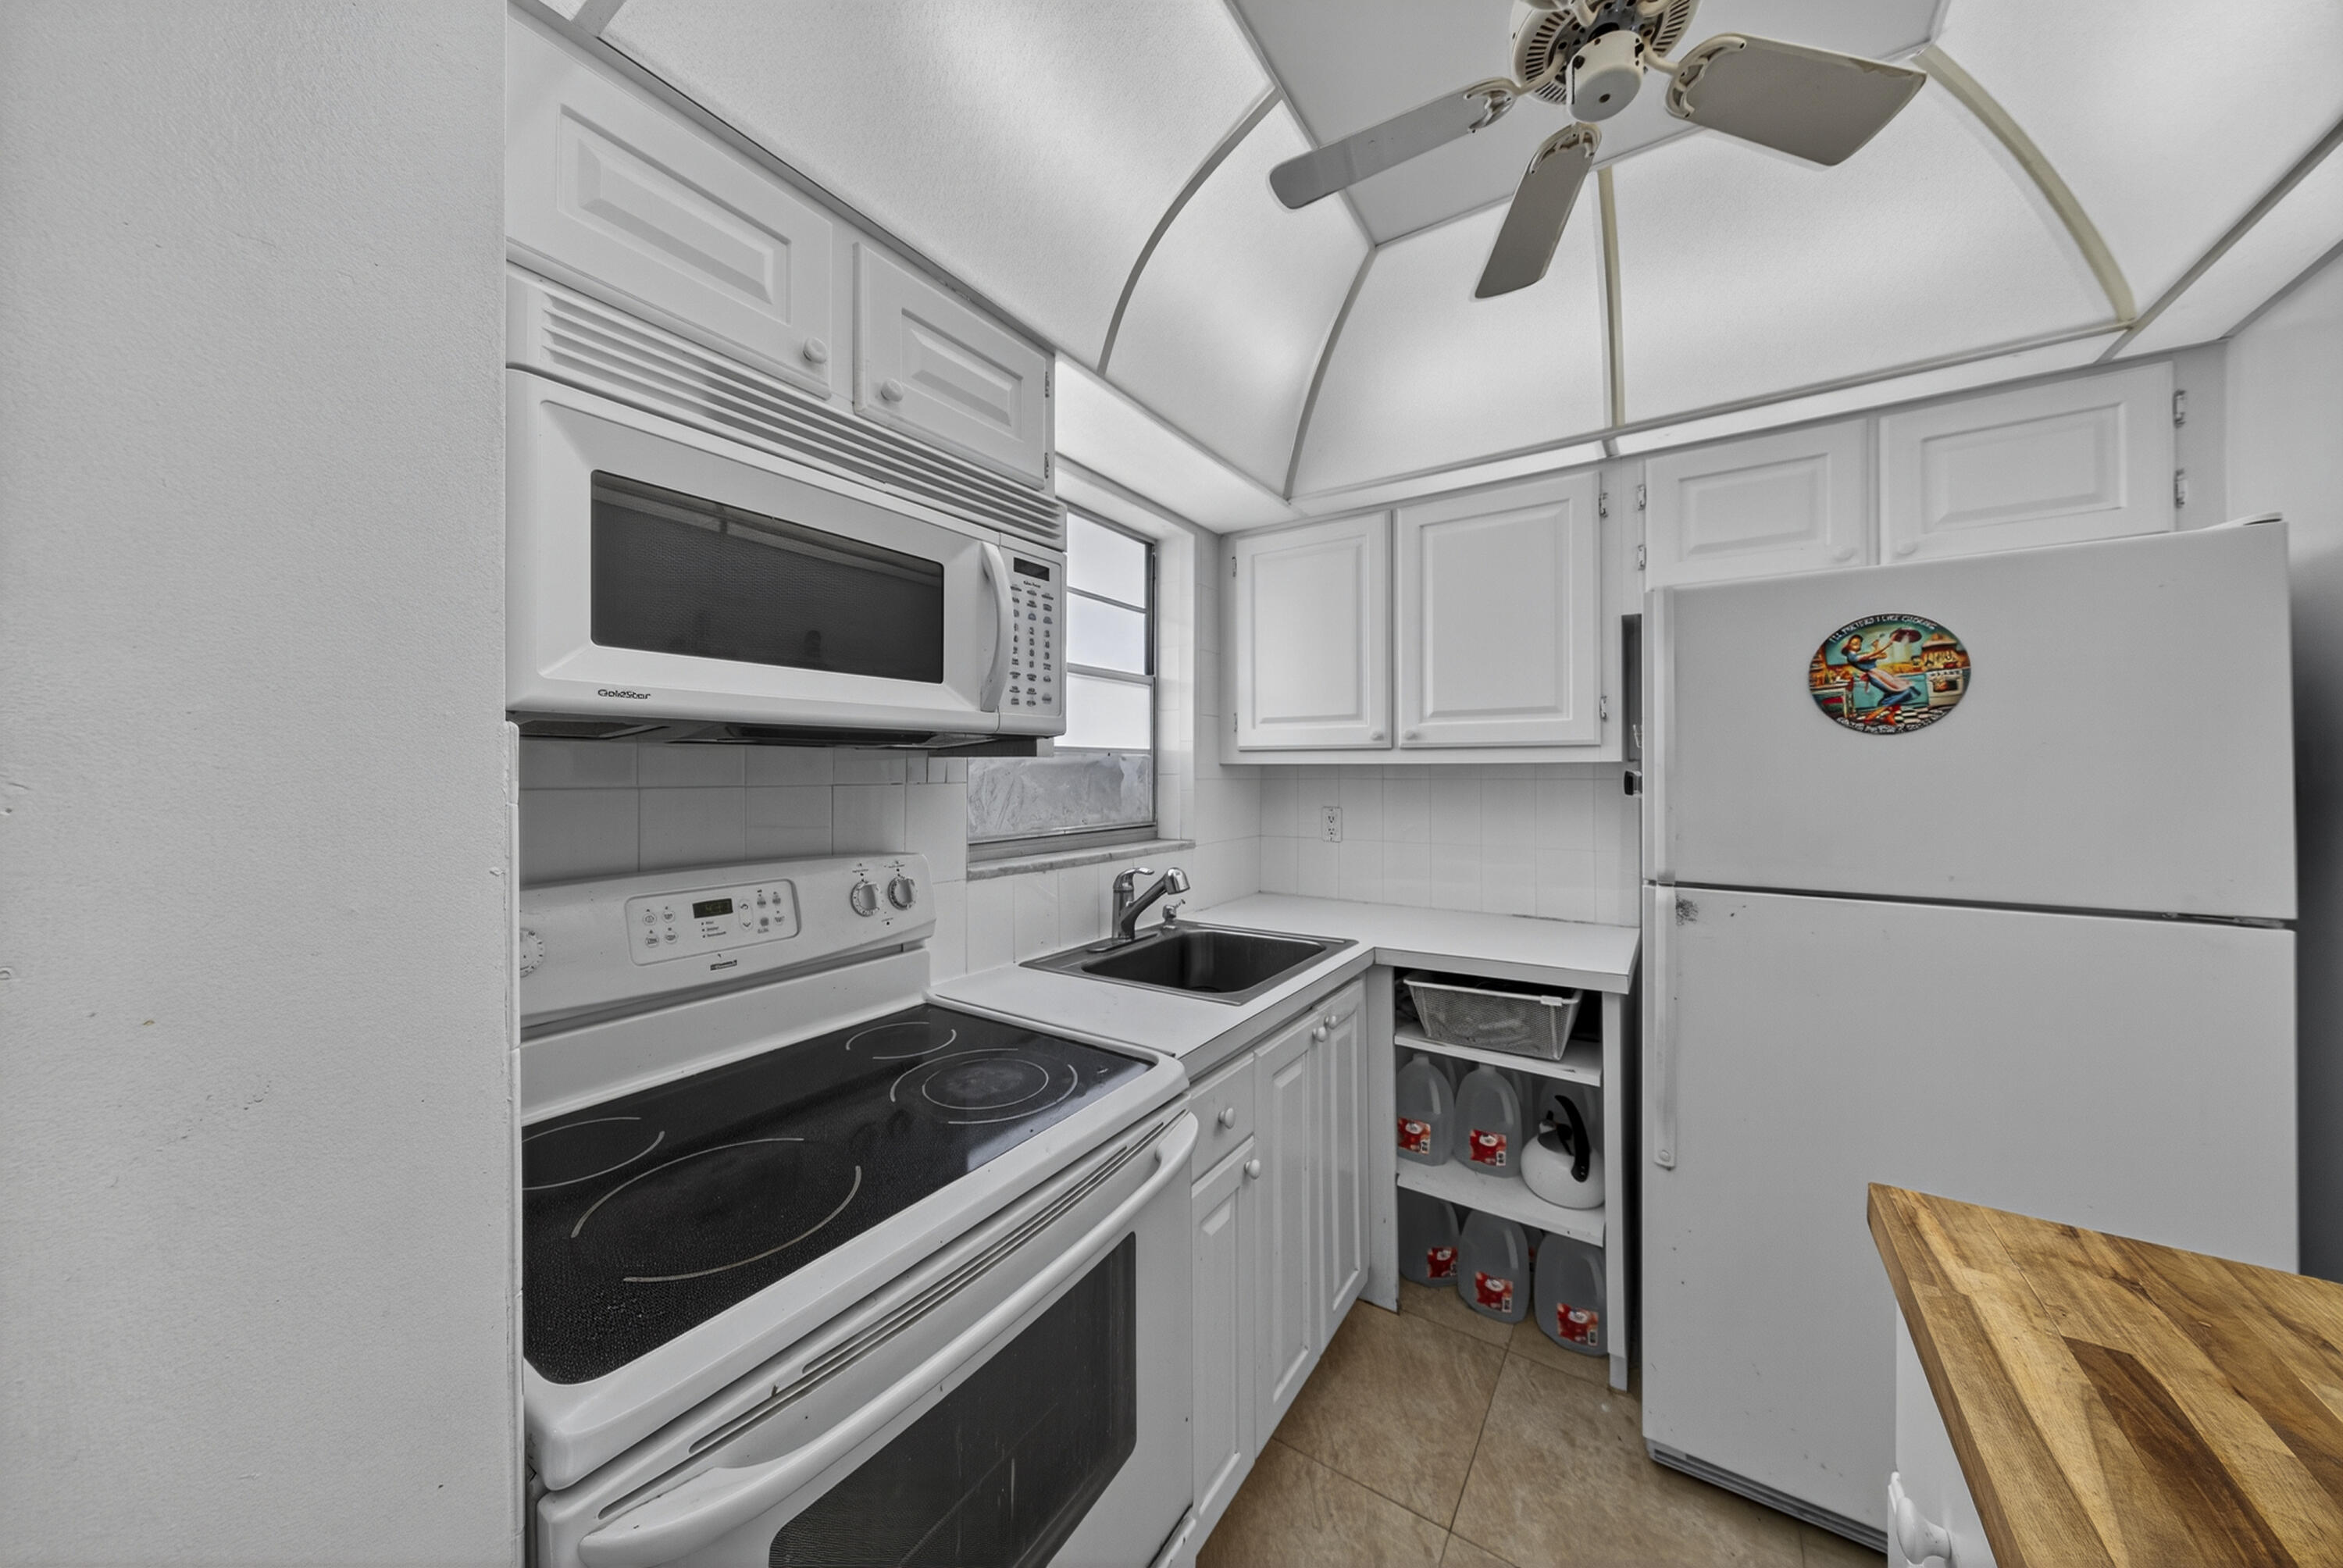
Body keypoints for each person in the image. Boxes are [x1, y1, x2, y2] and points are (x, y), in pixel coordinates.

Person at [1837, 628, 1920, 726]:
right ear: (1847, 645)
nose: (1857, 644)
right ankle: (1873, 715)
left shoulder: (1859, 656)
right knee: (1904, 691)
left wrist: (1876, 647)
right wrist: (1888, 644)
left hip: (1879, 674)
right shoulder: (1852, 657)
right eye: (1854, 642)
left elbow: (1881, 656)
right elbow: (1871, 656)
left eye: (1859, 643)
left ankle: (1890, 716)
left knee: (1902, 692)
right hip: (1876, 676)